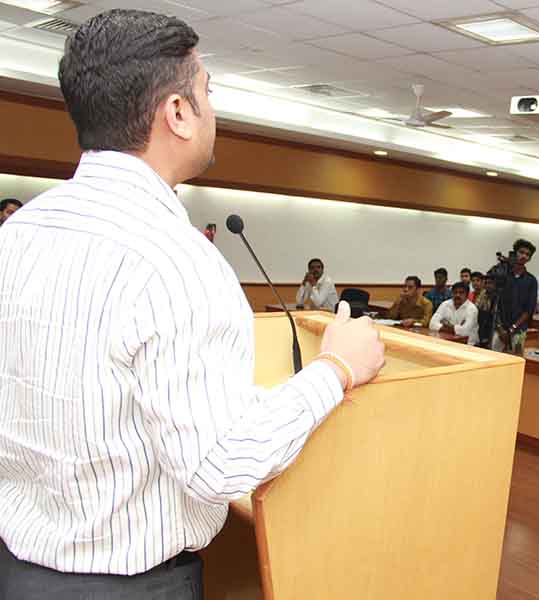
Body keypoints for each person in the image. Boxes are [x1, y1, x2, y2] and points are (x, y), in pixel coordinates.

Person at [0, 9, 386, 597]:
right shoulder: (177, 261)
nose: (213, 108)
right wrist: (336, 369)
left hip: (18, 568)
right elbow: (219, 464)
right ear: (178, 113)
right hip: (122, 585)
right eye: (208, 91)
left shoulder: (20, 232)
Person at [492, 238, 538, 355]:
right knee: (493, 358)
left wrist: (513, 328)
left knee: (516, 360)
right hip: (499, 328)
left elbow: (529, 309)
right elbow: (494, 302)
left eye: (527, 254)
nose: (523, 256)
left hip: (519, 329)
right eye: (521, 252)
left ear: (529, 258)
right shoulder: (502, 275)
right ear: (515, 253)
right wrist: (500, 328)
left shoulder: (531, 280)